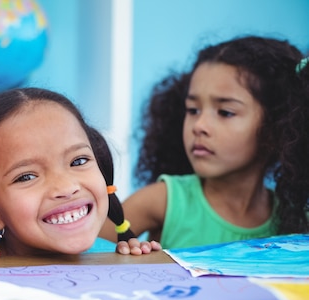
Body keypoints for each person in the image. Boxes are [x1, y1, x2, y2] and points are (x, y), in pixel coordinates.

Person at [100, 35, 309, 249]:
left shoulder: (296, 217)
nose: (199, 125)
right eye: (192, 110)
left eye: (225, 112)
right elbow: (84, 255)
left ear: (277, 125)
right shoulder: (162, 201)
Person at [0, 87, 161, 258]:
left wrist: (150, 267)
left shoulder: (121, 263)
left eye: (78, 161)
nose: (66, 187)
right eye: (27, 176)